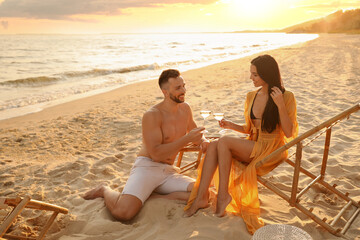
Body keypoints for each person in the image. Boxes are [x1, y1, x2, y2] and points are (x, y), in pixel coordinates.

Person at [184, 54, 298, 234]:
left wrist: (280, 105)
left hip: (272, 148)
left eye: (255, 75)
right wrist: (231, 125)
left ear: (266, 74)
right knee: (214, 145)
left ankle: (222, 196)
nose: (251, 78)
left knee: (223, 142)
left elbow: (289, 132)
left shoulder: (285, 96)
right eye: (251, 74)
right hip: (253, 143)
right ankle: (202, 196)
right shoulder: (251, 96)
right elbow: (249, 129)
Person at [83, 69, 208, 221]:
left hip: (168, 172)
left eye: (183, 86)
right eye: (178, 88)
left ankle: (149, 196)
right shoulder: (153, 115)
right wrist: (187, 138)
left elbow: (195, 135)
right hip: (147, 168)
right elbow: (156, 154)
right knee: (123, 213)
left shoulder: (185, 108)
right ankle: (103, 189)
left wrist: (203, 141)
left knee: (204, 193)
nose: (183, 91)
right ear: (165, 92)